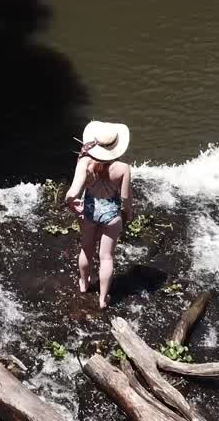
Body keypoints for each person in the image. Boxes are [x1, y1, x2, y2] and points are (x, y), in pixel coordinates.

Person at [63, 120, 132, 309]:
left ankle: (84, 284)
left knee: (86, 250)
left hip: (89, 213)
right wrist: (128, 214)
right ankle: (102, 299)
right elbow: (126, 199)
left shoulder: (85, 162)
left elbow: (73, 192)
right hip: (112, 216)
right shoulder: (123, 168)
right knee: (107, 257)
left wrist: (71, 203)